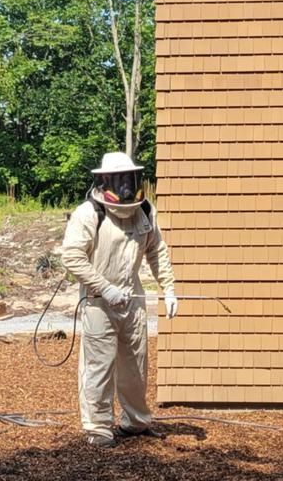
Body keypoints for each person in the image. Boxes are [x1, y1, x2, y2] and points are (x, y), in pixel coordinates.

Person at [61, 151, 177, 448]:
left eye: (130, 180)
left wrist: (169, 288)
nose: (126, 187)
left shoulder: (145, 211)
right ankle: (98, 428)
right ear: (104, 181)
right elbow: (72, 257)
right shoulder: (88, 214)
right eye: (120, 180)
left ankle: (136, 421)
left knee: (136, 363)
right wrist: (105, 287)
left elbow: (157, 251)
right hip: (99, 300)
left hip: (132, 298)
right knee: (99, 366)